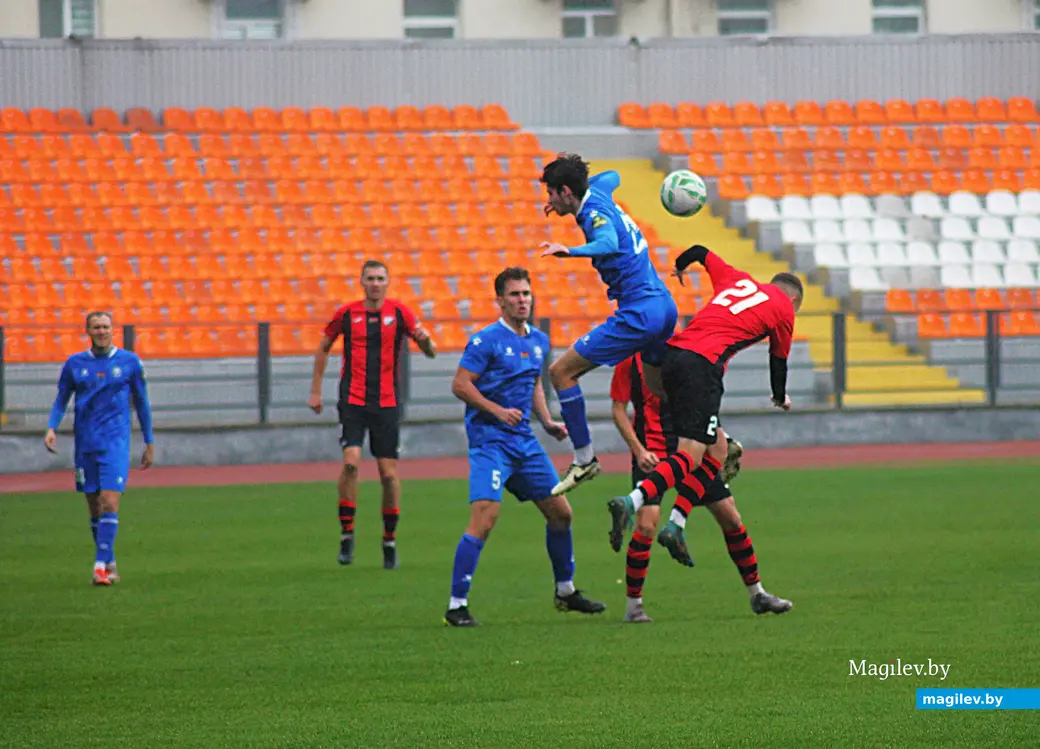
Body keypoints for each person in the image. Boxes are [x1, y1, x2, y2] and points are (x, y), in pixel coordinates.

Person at [608, 244, 803, 561]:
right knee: (692, 454)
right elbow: (778, 360)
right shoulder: (784, 309)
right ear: (793, 301)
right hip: (702, 367)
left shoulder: (738, 279)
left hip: (673, 358)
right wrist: (779, 397)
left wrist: (680, 265)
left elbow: (700, 250)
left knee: (718, 447)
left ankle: (676, 524)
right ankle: (633, 501)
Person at [444, 267, 607, 627]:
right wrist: (497, 411)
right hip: (491, 442)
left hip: (525, 443)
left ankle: (565, 591)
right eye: (515, 294)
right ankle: (456, 605)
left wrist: (546, 419)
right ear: (500, 301)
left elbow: (532, 381)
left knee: (561, 514)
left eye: (526, 294)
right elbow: (460, 384)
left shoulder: (538, 340)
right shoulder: (486, 340)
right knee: (485, 518)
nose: (522, 300)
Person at [608, 352, 792, 623]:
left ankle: (758, 594)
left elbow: (701, 401)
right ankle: (634, 606)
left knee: (730, 517)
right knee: (646, 524)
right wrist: (638, 450)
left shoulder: (685, 354)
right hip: (652, 448)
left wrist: (719, 434)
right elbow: (618, 409)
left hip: (691, 443)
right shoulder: (629, 360)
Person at [538, 154, 678, 496]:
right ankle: (717, 436)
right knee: (661, 390)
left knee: (560, 373)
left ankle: (584, 459)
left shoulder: (593, 214)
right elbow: (613, 174)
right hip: (664, 305)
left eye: (552, 193)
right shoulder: (599, 190)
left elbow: (608, 243)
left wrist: (569, 251)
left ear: (566, 192)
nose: (549, 200)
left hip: (639, 313)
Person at [308, 260, 437, 570]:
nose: (375, 283)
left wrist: (426, 341)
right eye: (370, 278)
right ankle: (347, 534)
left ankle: (389, 541)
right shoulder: (347, 314)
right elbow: (323, 346)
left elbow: (430, 351)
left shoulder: (400, 312)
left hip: (387, 403)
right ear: (362, 282)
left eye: (380, 278)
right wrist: (315, 391)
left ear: (387, 282)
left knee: (388, 475)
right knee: (351, 463)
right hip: (353, 400)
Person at [44, 311, 155, 586]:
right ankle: (110, 562)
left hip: (115, 443)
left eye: (105, 326)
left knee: (109, 501)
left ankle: (99, 568)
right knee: (94, 506)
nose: (102, 331)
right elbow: (61, 399)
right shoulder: (75, 364)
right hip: (85, 444)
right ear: (88, 331)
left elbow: (142, 402)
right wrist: (51, 427)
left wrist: (149, 441)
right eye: (96, 327)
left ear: (112, 330)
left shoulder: (129, 362)